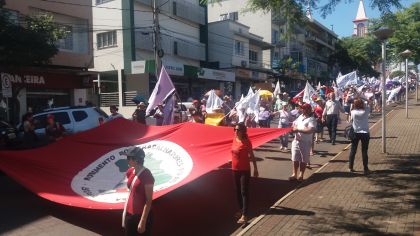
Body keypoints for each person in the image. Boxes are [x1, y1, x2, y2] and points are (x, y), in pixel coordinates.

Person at [122, 146, 155, 236]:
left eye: (129, 158)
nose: (127, 160)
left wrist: (143, 222)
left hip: (140, 216)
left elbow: (148, 201)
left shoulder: (147, 176)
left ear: (136, 160)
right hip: (129, 214)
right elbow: (132, 190)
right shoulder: (130, 172)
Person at [231, 122, 258, 224]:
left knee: (244, 192)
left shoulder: (246, 141)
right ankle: (241, 210)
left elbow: (252, 155)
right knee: (237, 190)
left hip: (244, 170)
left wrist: (255, 168)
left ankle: (245, 215)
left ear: (243, 131)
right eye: (235, 129)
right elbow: (233, 152)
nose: (236, 131)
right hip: (234, 169)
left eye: (238, 130)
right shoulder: (234, 139)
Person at [289, 103, 316, 181]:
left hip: (305, 142)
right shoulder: (300, 117)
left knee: (303, 159)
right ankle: (294, 174)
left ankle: (301, 175)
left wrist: (298, 129)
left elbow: (311, 130)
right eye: (302, 108)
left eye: (304, 108)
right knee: (295, 158)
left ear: (308, 110)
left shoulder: (311, 119)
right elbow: (294, 125)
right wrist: (293, 128)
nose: (302, 110)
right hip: (296, 140)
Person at [348, 98, 370, 174]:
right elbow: (369, 101)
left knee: (353, 150)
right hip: (365, 132)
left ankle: (350, 167)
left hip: (355, 132)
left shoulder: (353, 112)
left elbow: (351, 119)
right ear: (362, 104)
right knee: (364, 151)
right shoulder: (366, 110)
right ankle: (365, 168)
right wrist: (362, 98)